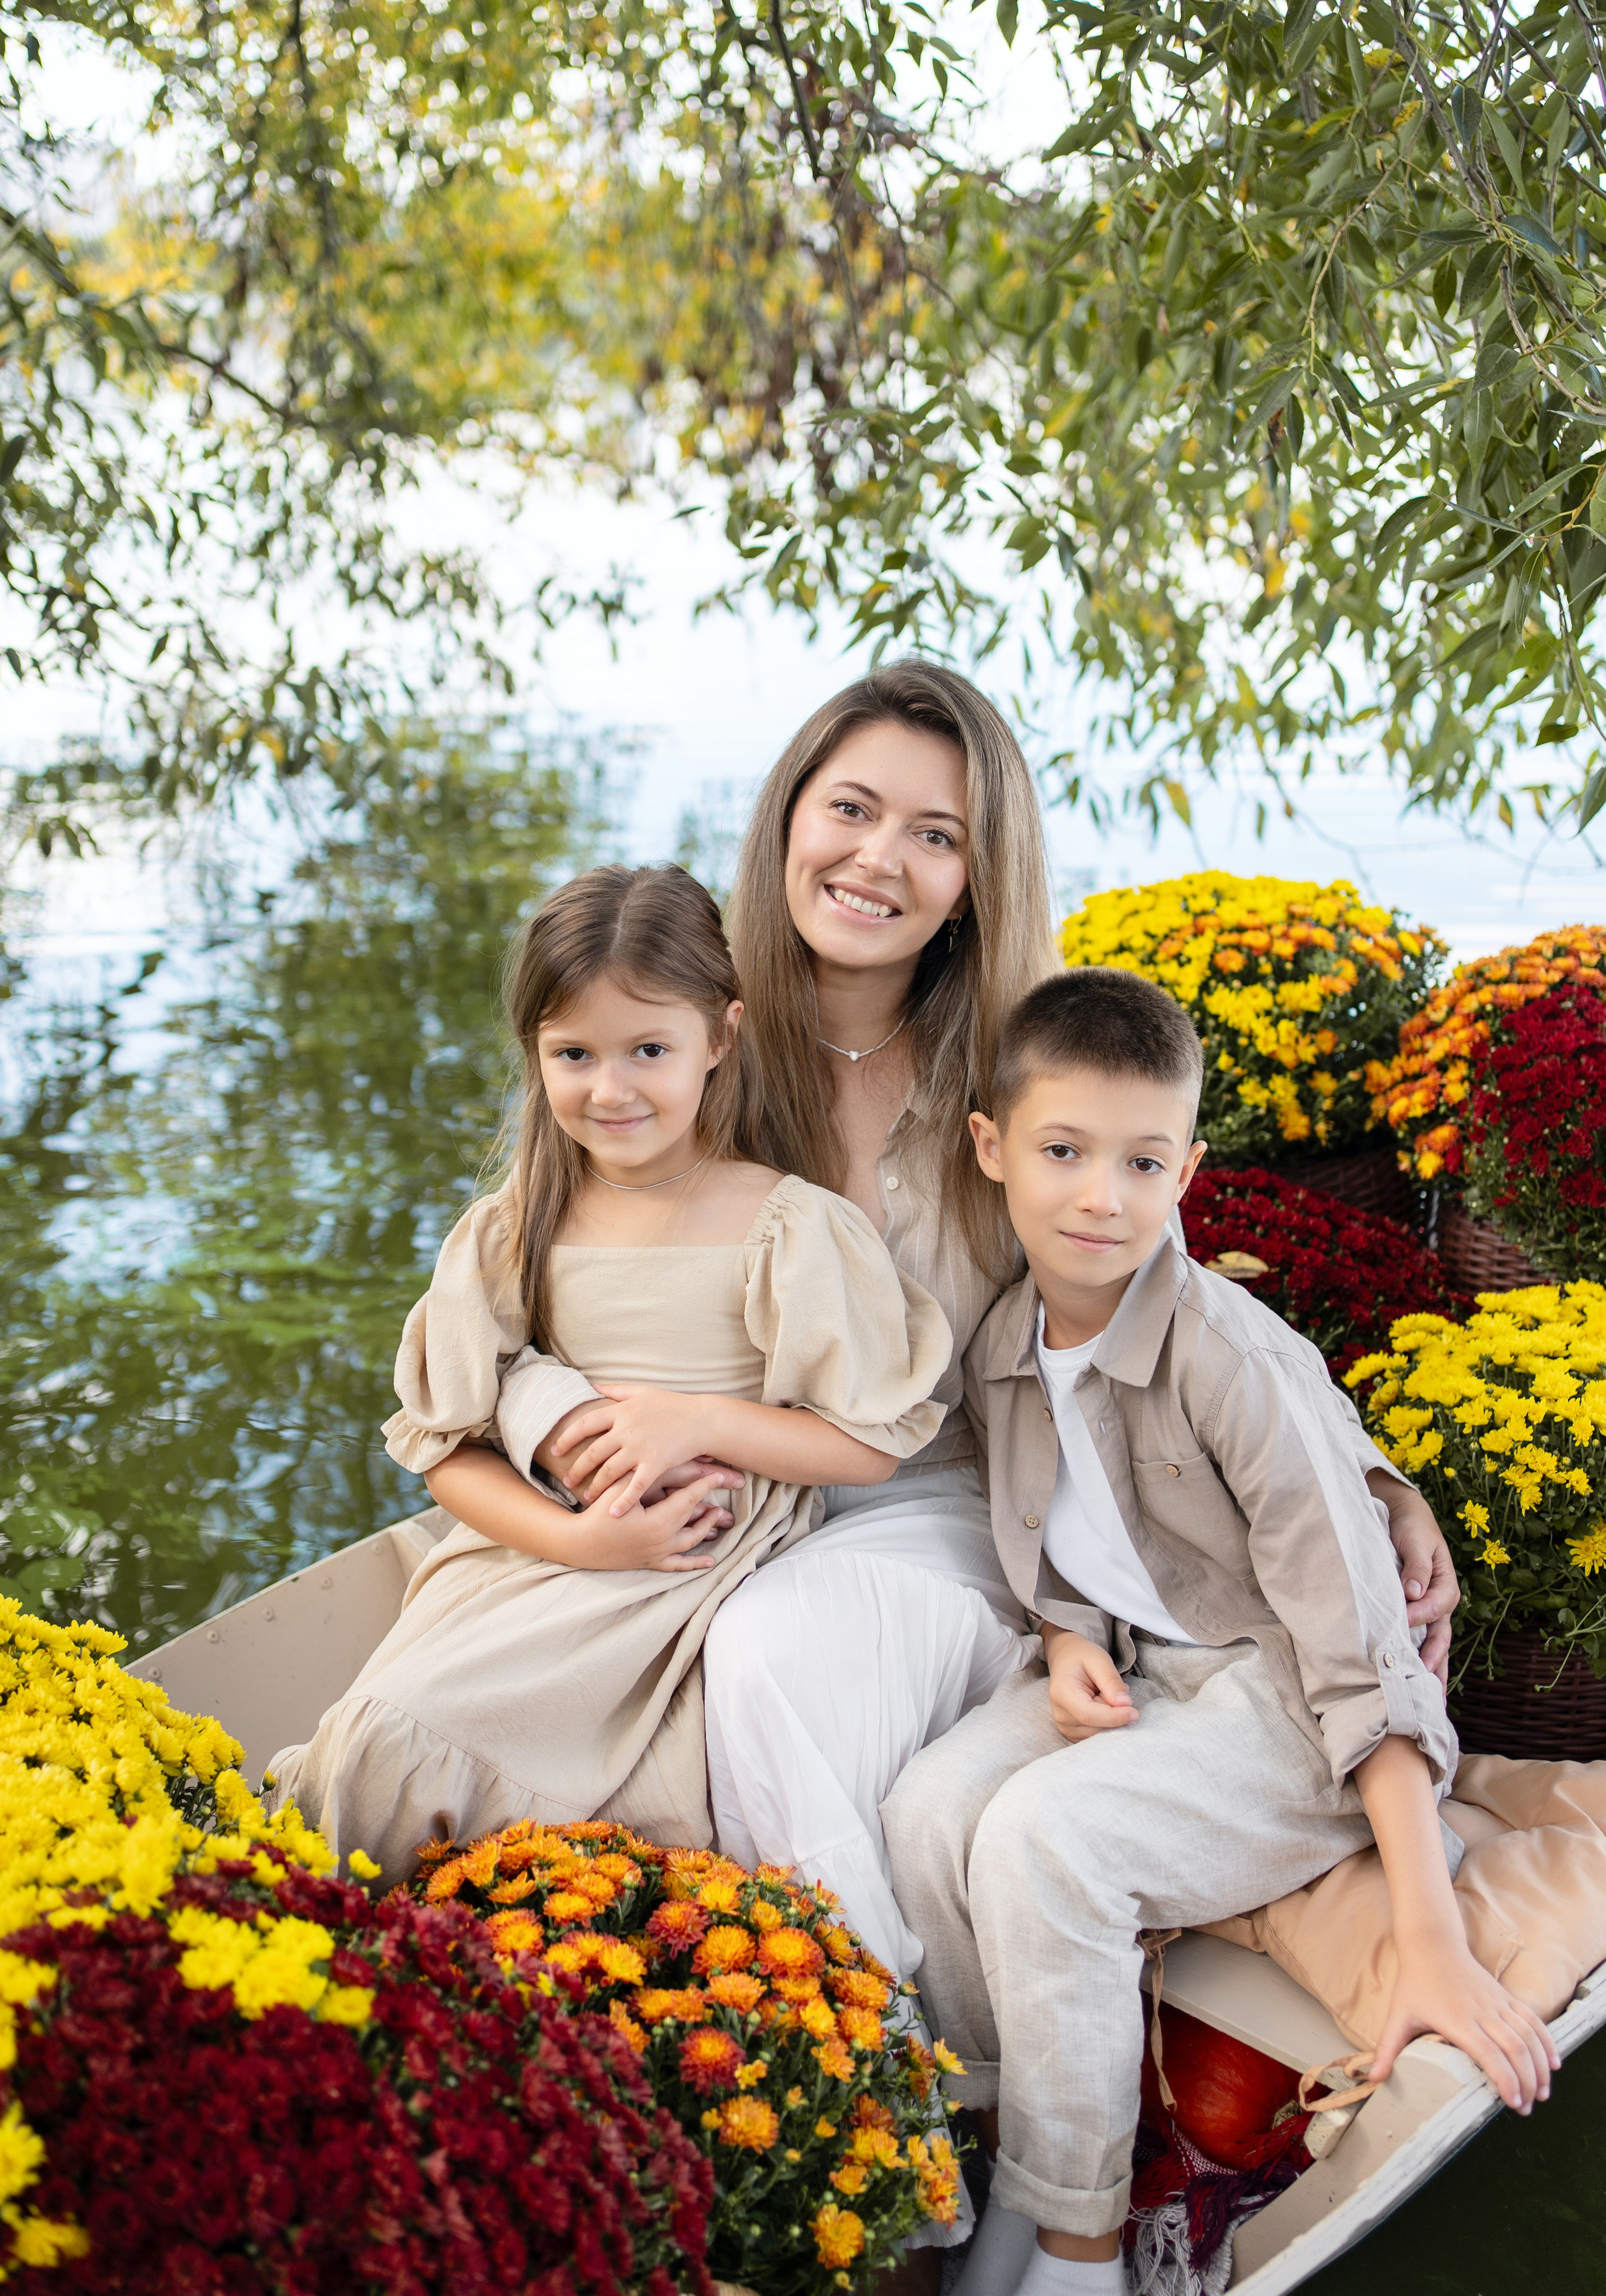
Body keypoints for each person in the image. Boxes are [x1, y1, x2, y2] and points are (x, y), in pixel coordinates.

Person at [520, 663, 1454, 1981]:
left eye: (934, 834)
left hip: (955, 1504)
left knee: (773, 1652)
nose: (876, 858)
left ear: (974, 874)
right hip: (716, 1493)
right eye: (848, 808)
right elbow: (522, 1287)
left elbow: (1166, 1299)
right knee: (498, 1687)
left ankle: (871, 2069)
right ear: (788, 814)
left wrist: (1366, 1481)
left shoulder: (1014, 1066)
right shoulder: (678, 1032)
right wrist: (565, 1447)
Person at [880, 968, 1558, 2296]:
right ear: (990, 1149)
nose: (1100, 1197)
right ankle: (1022, 2138)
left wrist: (1428, 1935)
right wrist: (1061, 1631)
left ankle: (1077, 2252)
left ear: (1185, 1168)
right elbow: (1061, 1532)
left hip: (1280, 1709)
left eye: (1141, 1162)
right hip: (1138, 1672)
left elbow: (1360, 1654)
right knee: (923, 1807)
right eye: (1062, 1152)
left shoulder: (1229, 1363)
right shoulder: (1001, 1342)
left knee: (1042, 1840)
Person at [266, 862, 950, 1884]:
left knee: (591, 1778)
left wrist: (694, 1422)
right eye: (573, 1053)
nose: (611, 1087)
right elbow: (445, 1451)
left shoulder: (783, 1223)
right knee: (378, 1733)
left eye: (648, 1050)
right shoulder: (515, 1227)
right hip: (542, 1545)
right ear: (535, 1052)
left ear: (720, 1038)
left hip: (688, 1558)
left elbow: (866, 1447)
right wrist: (581, 1541)